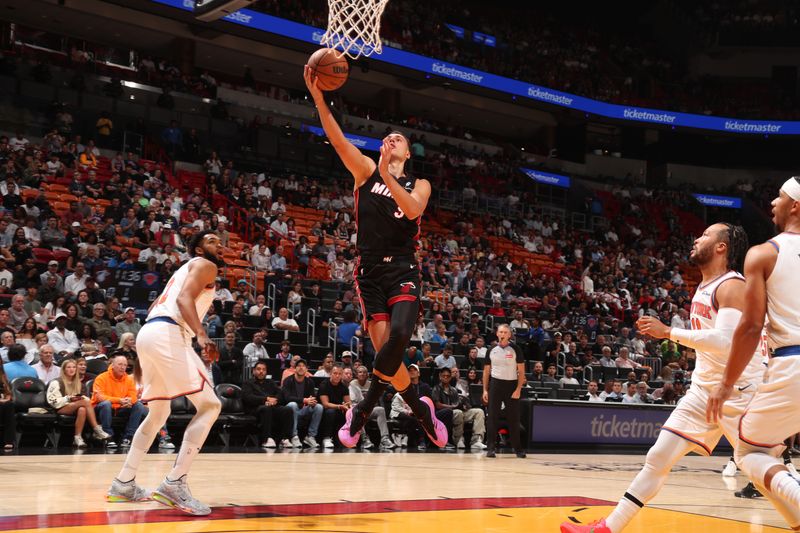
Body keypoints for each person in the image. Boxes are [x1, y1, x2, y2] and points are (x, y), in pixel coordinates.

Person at [562, 222, 763, 533]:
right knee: (658, 456)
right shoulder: (706, 285)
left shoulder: (731, 285)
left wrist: (669, 332)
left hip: (738, 393)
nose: (698, 238)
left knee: (764, 472)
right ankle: (608, 528)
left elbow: (727, 344)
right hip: (704, 390)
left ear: (722, 247)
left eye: (707, 235)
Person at [304, 66, 446, 450]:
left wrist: (388, 173)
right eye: (388, 137)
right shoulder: (366, 171)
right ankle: (420, 409)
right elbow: (335, 140)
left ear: (406, 153)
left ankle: (363, 409)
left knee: (400, 336)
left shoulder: (419, 183)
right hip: (368, 273)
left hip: (403, 268)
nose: (392, 138)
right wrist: (319, 98)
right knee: (388, 355)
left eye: (399, 138)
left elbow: (414, 211)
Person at [105, 230, 223, 516]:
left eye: (220, 241)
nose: (219, 244)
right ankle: (174, 482)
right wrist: (202, 335)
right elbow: (184, 300)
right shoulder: (206, 265)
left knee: (158, 413)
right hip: (169, 333)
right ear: (197, 248)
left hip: (149, 333)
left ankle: (124, 482)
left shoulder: (185, 269)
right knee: (210, 406)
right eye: (211, 241)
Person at [705, 179, 800, 531]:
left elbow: (749, 327)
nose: (773, 201)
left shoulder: (763, 253)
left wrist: (726, 383)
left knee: (748, 453)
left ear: (796, 206)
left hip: (792, 362)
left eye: (780, 195)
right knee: (771, 453)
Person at [482, 324, 525, 458]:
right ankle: (491, 448)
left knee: (513, 418)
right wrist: (485, 390)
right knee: (492, 417)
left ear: (509, 335)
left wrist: (518, 388)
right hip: (495, 384)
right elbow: (486, 371)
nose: (502, 334)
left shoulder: (515, 349)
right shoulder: (491, 349)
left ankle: (517, 448)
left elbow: (521, 371)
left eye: (505, 332)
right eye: (500, 331)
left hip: (511, 385)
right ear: (497, 334)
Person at [46, 359, 109, 448]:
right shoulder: (56, 382)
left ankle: (78, 438)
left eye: (74, 367)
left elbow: (84, 399)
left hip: (75, 407)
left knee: (82, 409)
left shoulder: (79, 383)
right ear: (64, 370)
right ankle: (96, 429)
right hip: (59, 408)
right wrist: (69, 398)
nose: (72, 369)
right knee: (85, 401)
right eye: (69, 367)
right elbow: (53, 402)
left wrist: (77, 399)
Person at [432, 367, 486, 450]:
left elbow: (458, 403)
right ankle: (458, 439)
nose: (446, 377)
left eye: (448, 376)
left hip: (457, 411)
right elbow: (437, 405)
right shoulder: (436, 388)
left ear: (450, 377)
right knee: (458, 412)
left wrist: (465, 405)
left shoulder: (454, 390)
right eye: (444, 376)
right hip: (446, 414)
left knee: (479, 411)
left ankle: (476, 441)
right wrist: (453, 407)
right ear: (440, 376)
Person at [241, 360, 292, 449]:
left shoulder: (271, 382)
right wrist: (266, 399)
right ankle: (266, 439)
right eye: (259, 369)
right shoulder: (248, 383)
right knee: (266, 408)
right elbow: (248, 398)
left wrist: (275, 400)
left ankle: (285, 439)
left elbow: (280, 393)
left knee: (287, 410)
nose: (261, 371)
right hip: (254, 408)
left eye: (264, 370)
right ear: (253, 371)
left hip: (271, 406)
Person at [348, 365, 395, 450]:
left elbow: (375, 399)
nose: (362, 374)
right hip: (358, 410)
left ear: (367, 375)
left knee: (380, 410)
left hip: (369, 409)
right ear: (356, 375)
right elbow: (354, 401)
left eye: (364, 372)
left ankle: (384, 439)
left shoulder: (371, 384)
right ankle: (364, 440)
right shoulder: (353, 384)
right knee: (358, 412)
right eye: (360, 372)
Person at [281, 359, 323, 448]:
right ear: (295, 369)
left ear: (306, 369)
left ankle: (310, 436)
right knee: (293, 404)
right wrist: (304, 400)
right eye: (299, 366)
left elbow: (312, 397)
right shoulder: (288, 380)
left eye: (303, 366)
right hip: (290, 410)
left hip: (304, 409)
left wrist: (312, 401)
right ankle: (294, 436)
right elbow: (287, 398)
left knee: (319, 407)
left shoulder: (309, 382)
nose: (301, 368)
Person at [317, 364, 351, 449]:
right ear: (330, 374)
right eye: (335, 373)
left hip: (338, 409)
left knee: (351, 412)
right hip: (324, 410)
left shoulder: (343, 387)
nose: (337, 376)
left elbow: (348, 403)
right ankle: (326, 438)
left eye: (339, 374)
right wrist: (340, 406)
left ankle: (348, 437)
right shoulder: (324, 385)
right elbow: (326, 404)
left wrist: (348, 407)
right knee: (330, 412)